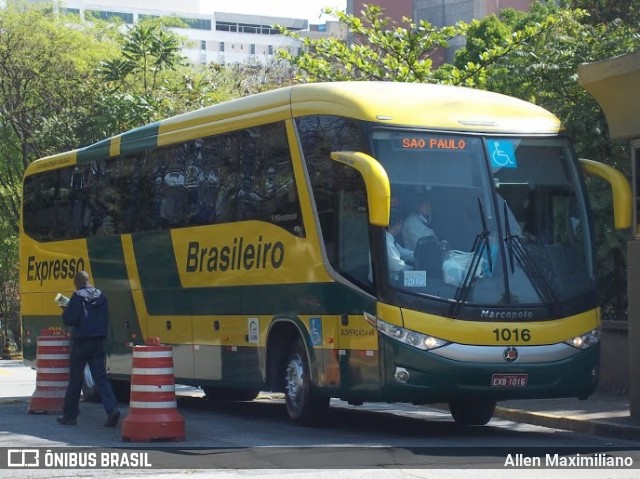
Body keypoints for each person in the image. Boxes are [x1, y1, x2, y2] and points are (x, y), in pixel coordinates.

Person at [57, 271, 121, 427]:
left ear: (78, 282)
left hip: (81, 343)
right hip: (98, 342)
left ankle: (70, 416)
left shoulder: (77, 296)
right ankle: (112, 409)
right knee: (101, 378)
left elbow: (70, 319)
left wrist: (64, 309)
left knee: (75, 380)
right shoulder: (101, 296)